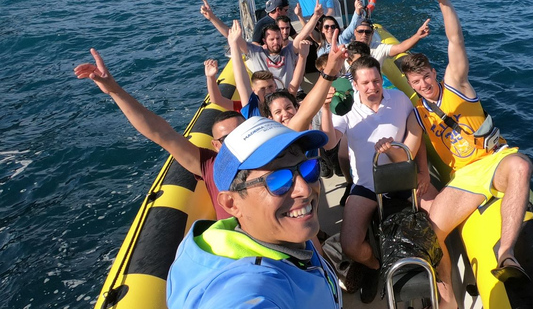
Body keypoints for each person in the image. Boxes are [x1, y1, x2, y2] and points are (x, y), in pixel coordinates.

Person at [400, 0, 533, 307]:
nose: (424, 84)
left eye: (427, 76)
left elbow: (455, 40)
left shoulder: (455, 82)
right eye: (416, 81)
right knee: (432, 235)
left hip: (493, 160)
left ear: (434, 72)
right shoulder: (417, 111)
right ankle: (450, 302)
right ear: (411, 83)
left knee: (520, 165)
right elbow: (409, 144)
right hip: (463, 179)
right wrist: (411, 169)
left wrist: (442, 1)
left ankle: (505, 253)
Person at [166, 116, 341, 309]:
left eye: (309, 169)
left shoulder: (283, 237)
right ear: (232, 204)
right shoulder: (247, 289)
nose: (305, 189)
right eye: (277, 180)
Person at [74, 49, 245, 220]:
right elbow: (161, 133)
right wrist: (114, 90)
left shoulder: (270, 158)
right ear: (216, 146)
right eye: (228, 138)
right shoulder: (210, 166)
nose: (237, 141)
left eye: (243, 132)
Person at [324, 56, 431, 303]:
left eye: (376, 80)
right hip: (366, 186)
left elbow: (418, 137)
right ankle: (375, 266)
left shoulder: (400, 100)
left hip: (402, 179)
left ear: (381, 79)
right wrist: (324, 109)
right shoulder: (346, 110)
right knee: (350, 244)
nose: (372, 87)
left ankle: (431, 268)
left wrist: (423, 171)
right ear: (355, 86)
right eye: (365, 83)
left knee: (435, 217)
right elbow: (329, 142)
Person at [350, 17, 431, 66]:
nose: (364, 34)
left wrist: (418, 36)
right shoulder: (347, 50)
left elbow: (401, 47)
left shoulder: (379, 48)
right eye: (360, 31)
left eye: (367, 32)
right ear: (355, 32)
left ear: (372, 33)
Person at [204, 58, 277, 112]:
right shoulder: (247, 107)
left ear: (275, 86)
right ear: (254, 91)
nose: (268, 92)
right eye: (262, 89)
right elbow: (217, 100)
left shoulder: (285, 102)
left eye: (270, 87)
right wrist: (210, 77)